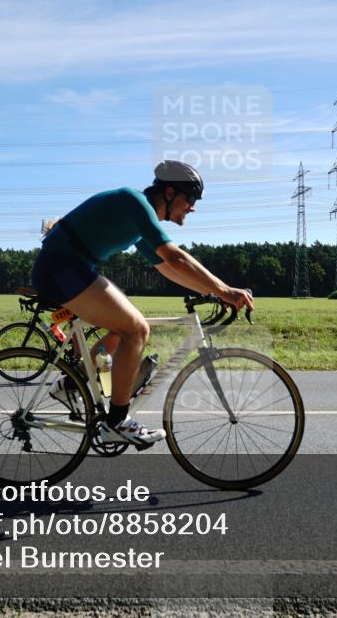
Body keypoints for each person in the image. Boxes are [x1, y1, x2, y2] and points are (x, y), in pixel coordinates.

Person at [30, 160, 254, 445]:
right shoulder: (135, 203)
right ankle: (118, 422)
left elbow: (167, 267)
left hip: (70, 268)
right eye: (191, 198)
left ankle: (72, 384)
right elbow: (176, 258)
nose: (193, 207)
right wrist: (224, 290)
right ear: (170, 192)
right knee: (136, 330)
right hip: (62, 268)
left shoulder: (137, 216)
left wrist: (211, 292)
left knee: (128, 326)